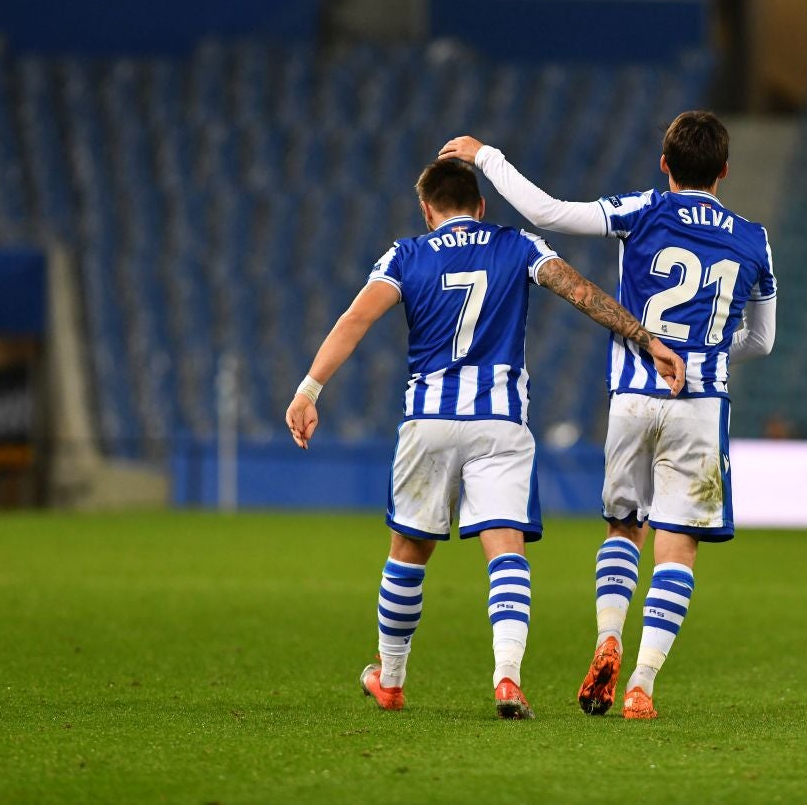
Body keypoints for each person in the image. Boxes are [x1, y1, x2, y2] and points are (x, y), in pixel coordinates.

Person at [284, 159, 685, 720]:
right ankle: (507, 679)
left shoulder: (406, 254)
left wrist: (309, 390)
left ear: (427, 210)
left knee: (409, 552)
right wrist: (646, 339)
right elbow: (581, 292)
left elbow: (355, 319)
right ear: (481, 205)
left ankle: (392, 680)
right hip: (499, 425)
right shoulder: (517, 245)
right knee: (506, 553)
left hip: (429, 422)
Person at [439, 111, 777, 720]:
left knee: (623, 526)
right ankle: (642, 683)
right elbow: (763, 341)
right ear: (725, 171)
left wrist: (486, 156)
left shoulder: (643, 209)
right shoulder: (753, 238)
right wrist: (709, 352)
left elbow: (547, 212)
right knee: (677, 549)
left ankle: (607, 638)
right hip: (700, 406)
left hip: (632, 394)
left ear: (665, 164)